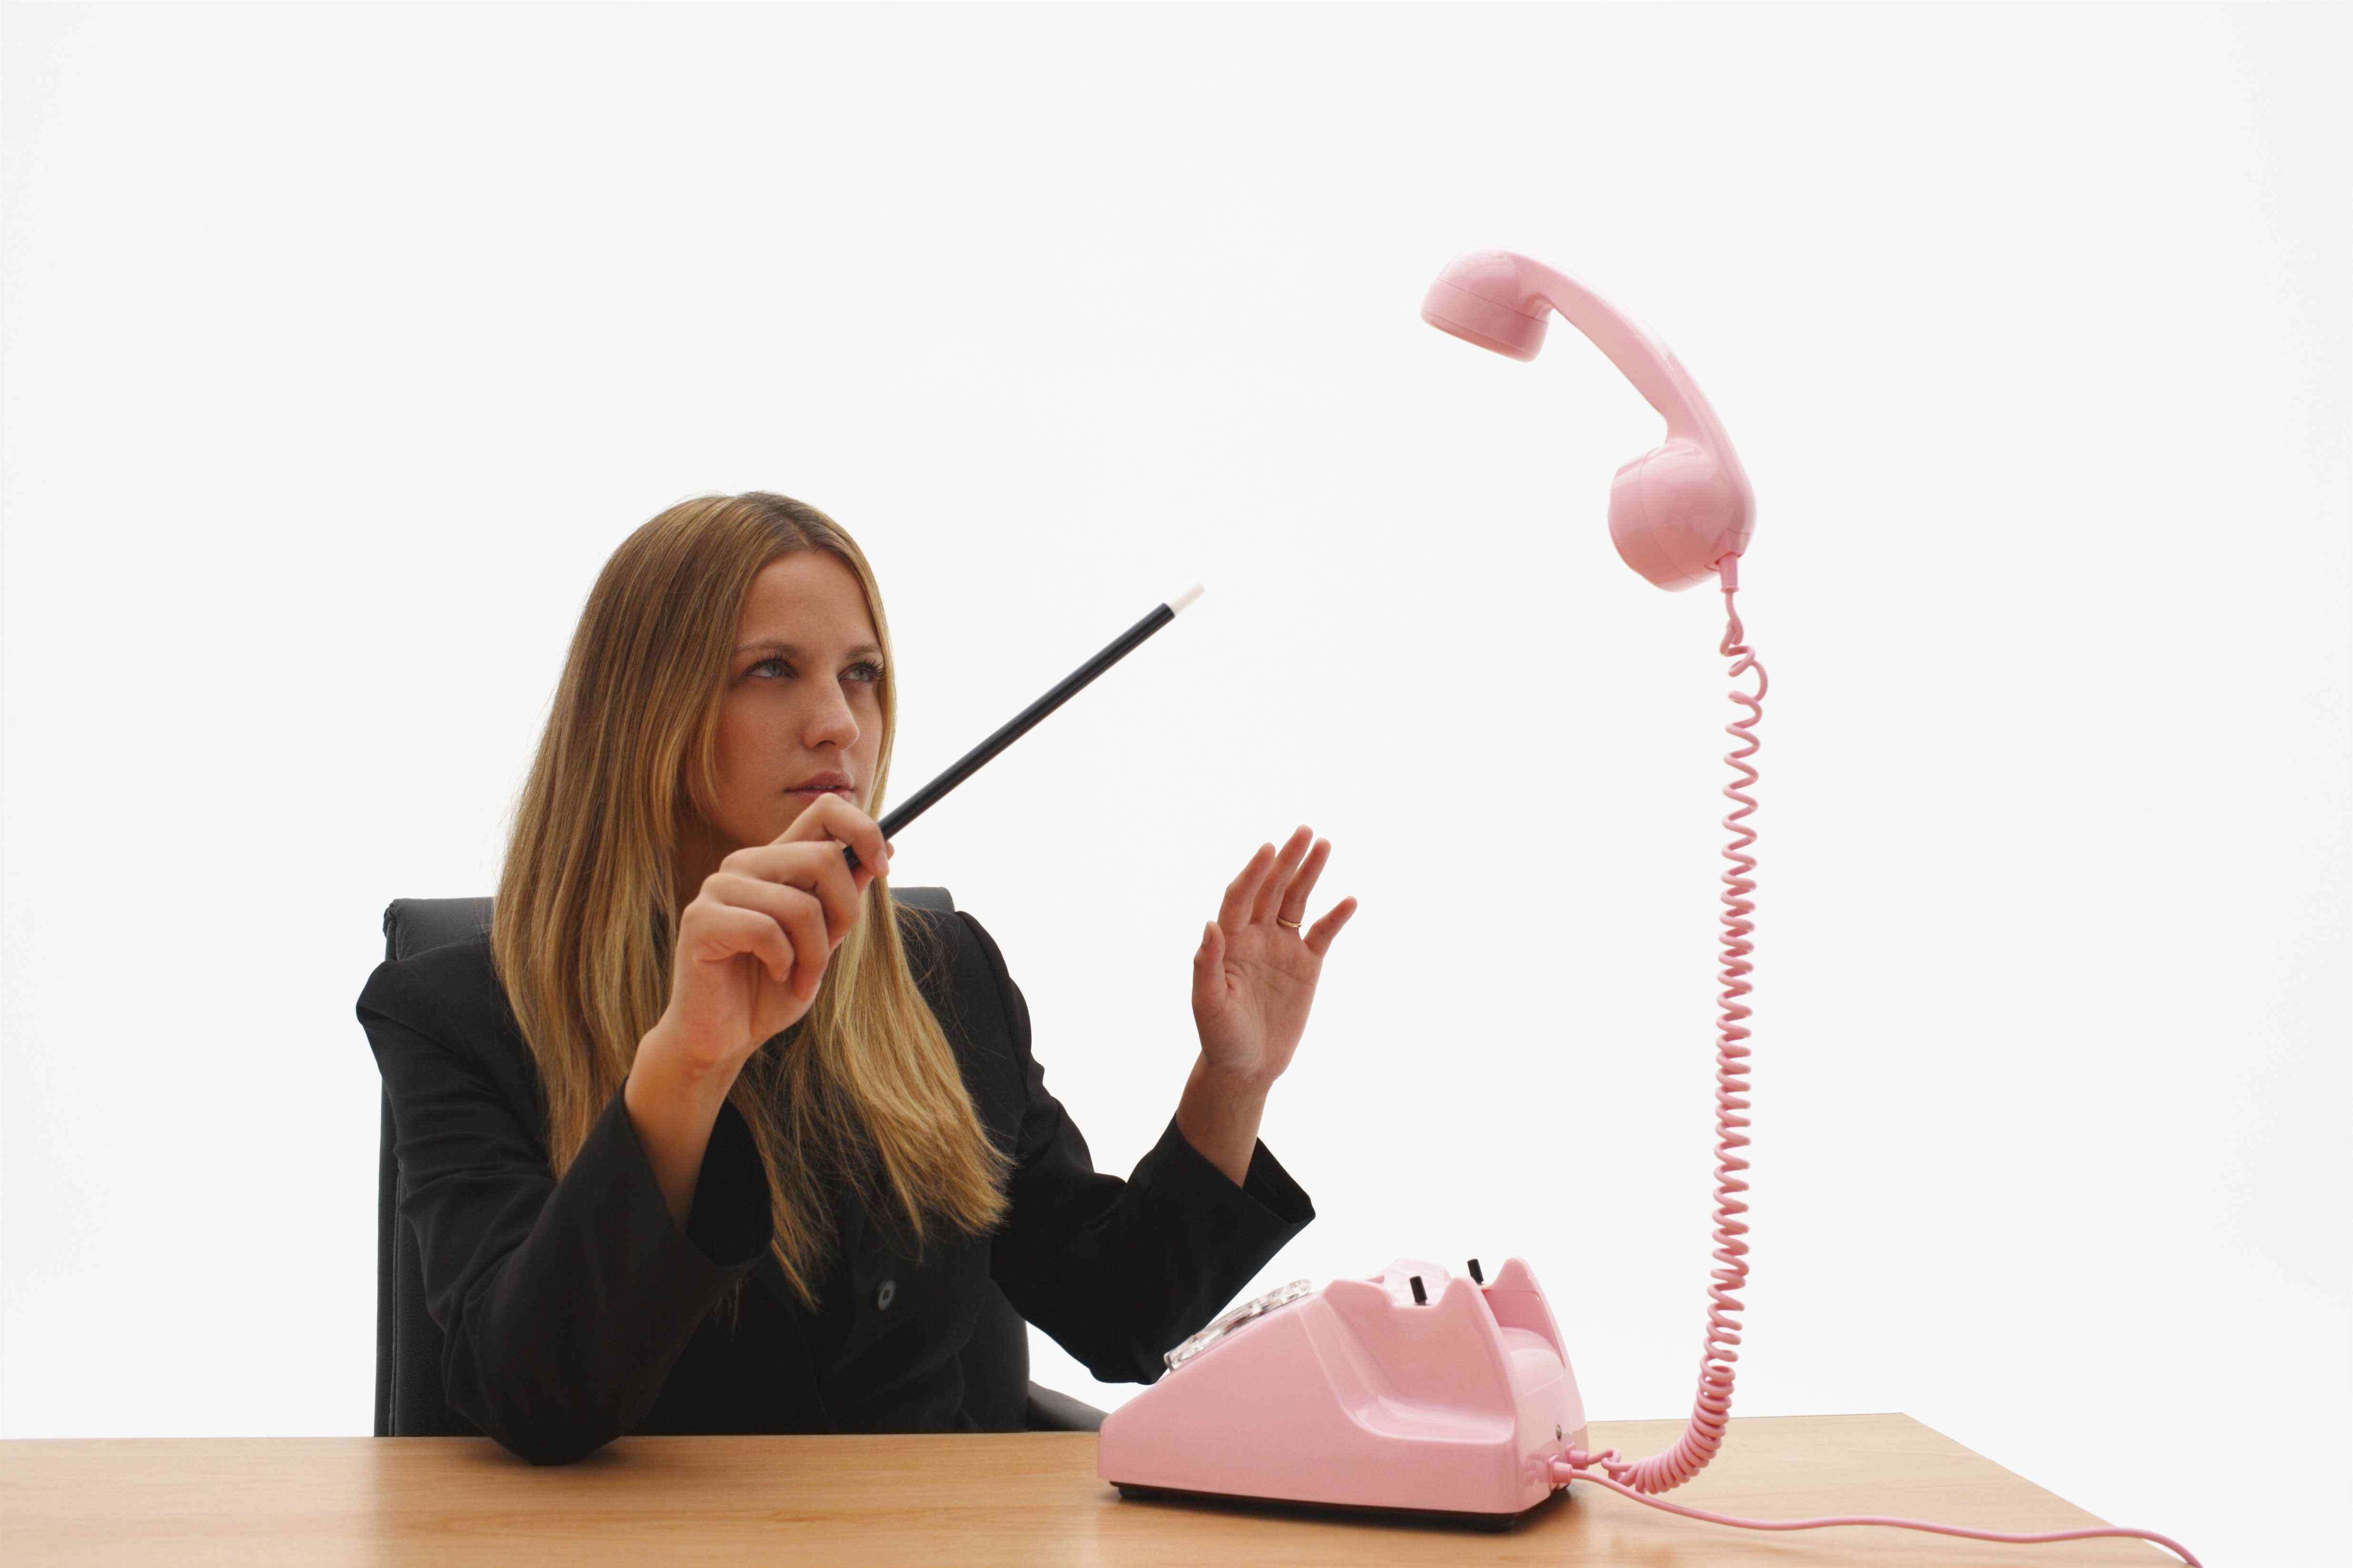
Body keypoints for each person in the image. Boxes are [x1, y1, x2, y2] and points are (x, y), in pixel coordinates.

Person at [356, 491, 1357, 1465]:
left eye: (863, 674)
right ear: (643, 710)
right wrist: (687, 1064)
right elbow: (536, 1400)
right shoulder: (458, 1014)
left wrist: (1232, 1081)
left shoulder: (944, 975)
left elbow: (1120, 1318)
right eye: (772, 670)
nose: (838, 722)